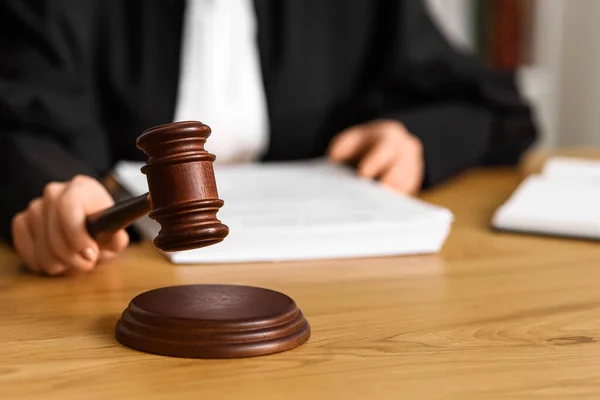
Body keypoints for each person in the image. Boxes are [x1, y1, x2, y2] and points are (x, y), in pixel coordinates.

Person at [0, 0, 538, 275]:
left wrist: (415, 139)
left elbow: (498, 108)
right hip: (129, 278)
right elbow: (23, 118)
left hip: (335, 284)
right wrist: (58, 193)